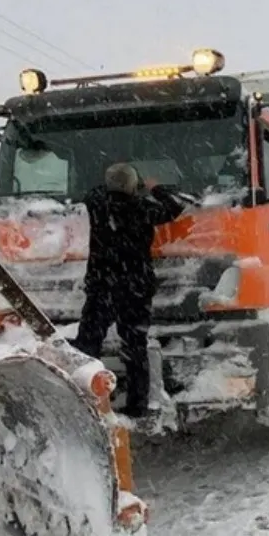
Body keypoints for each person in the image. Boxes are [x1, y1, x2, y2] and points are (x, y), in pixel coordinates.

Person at [72, 162, 186, 420]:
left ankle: (84, 400)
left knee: (87, 345)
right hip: (135, 288)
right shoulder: (143, 208)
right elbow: (175, 208)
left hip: (102, 285)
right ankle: (138, 407)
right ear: (133, 186)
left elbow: (91, 195)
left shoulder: (97, 205)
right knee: (135, 347)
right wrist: (155, 189)